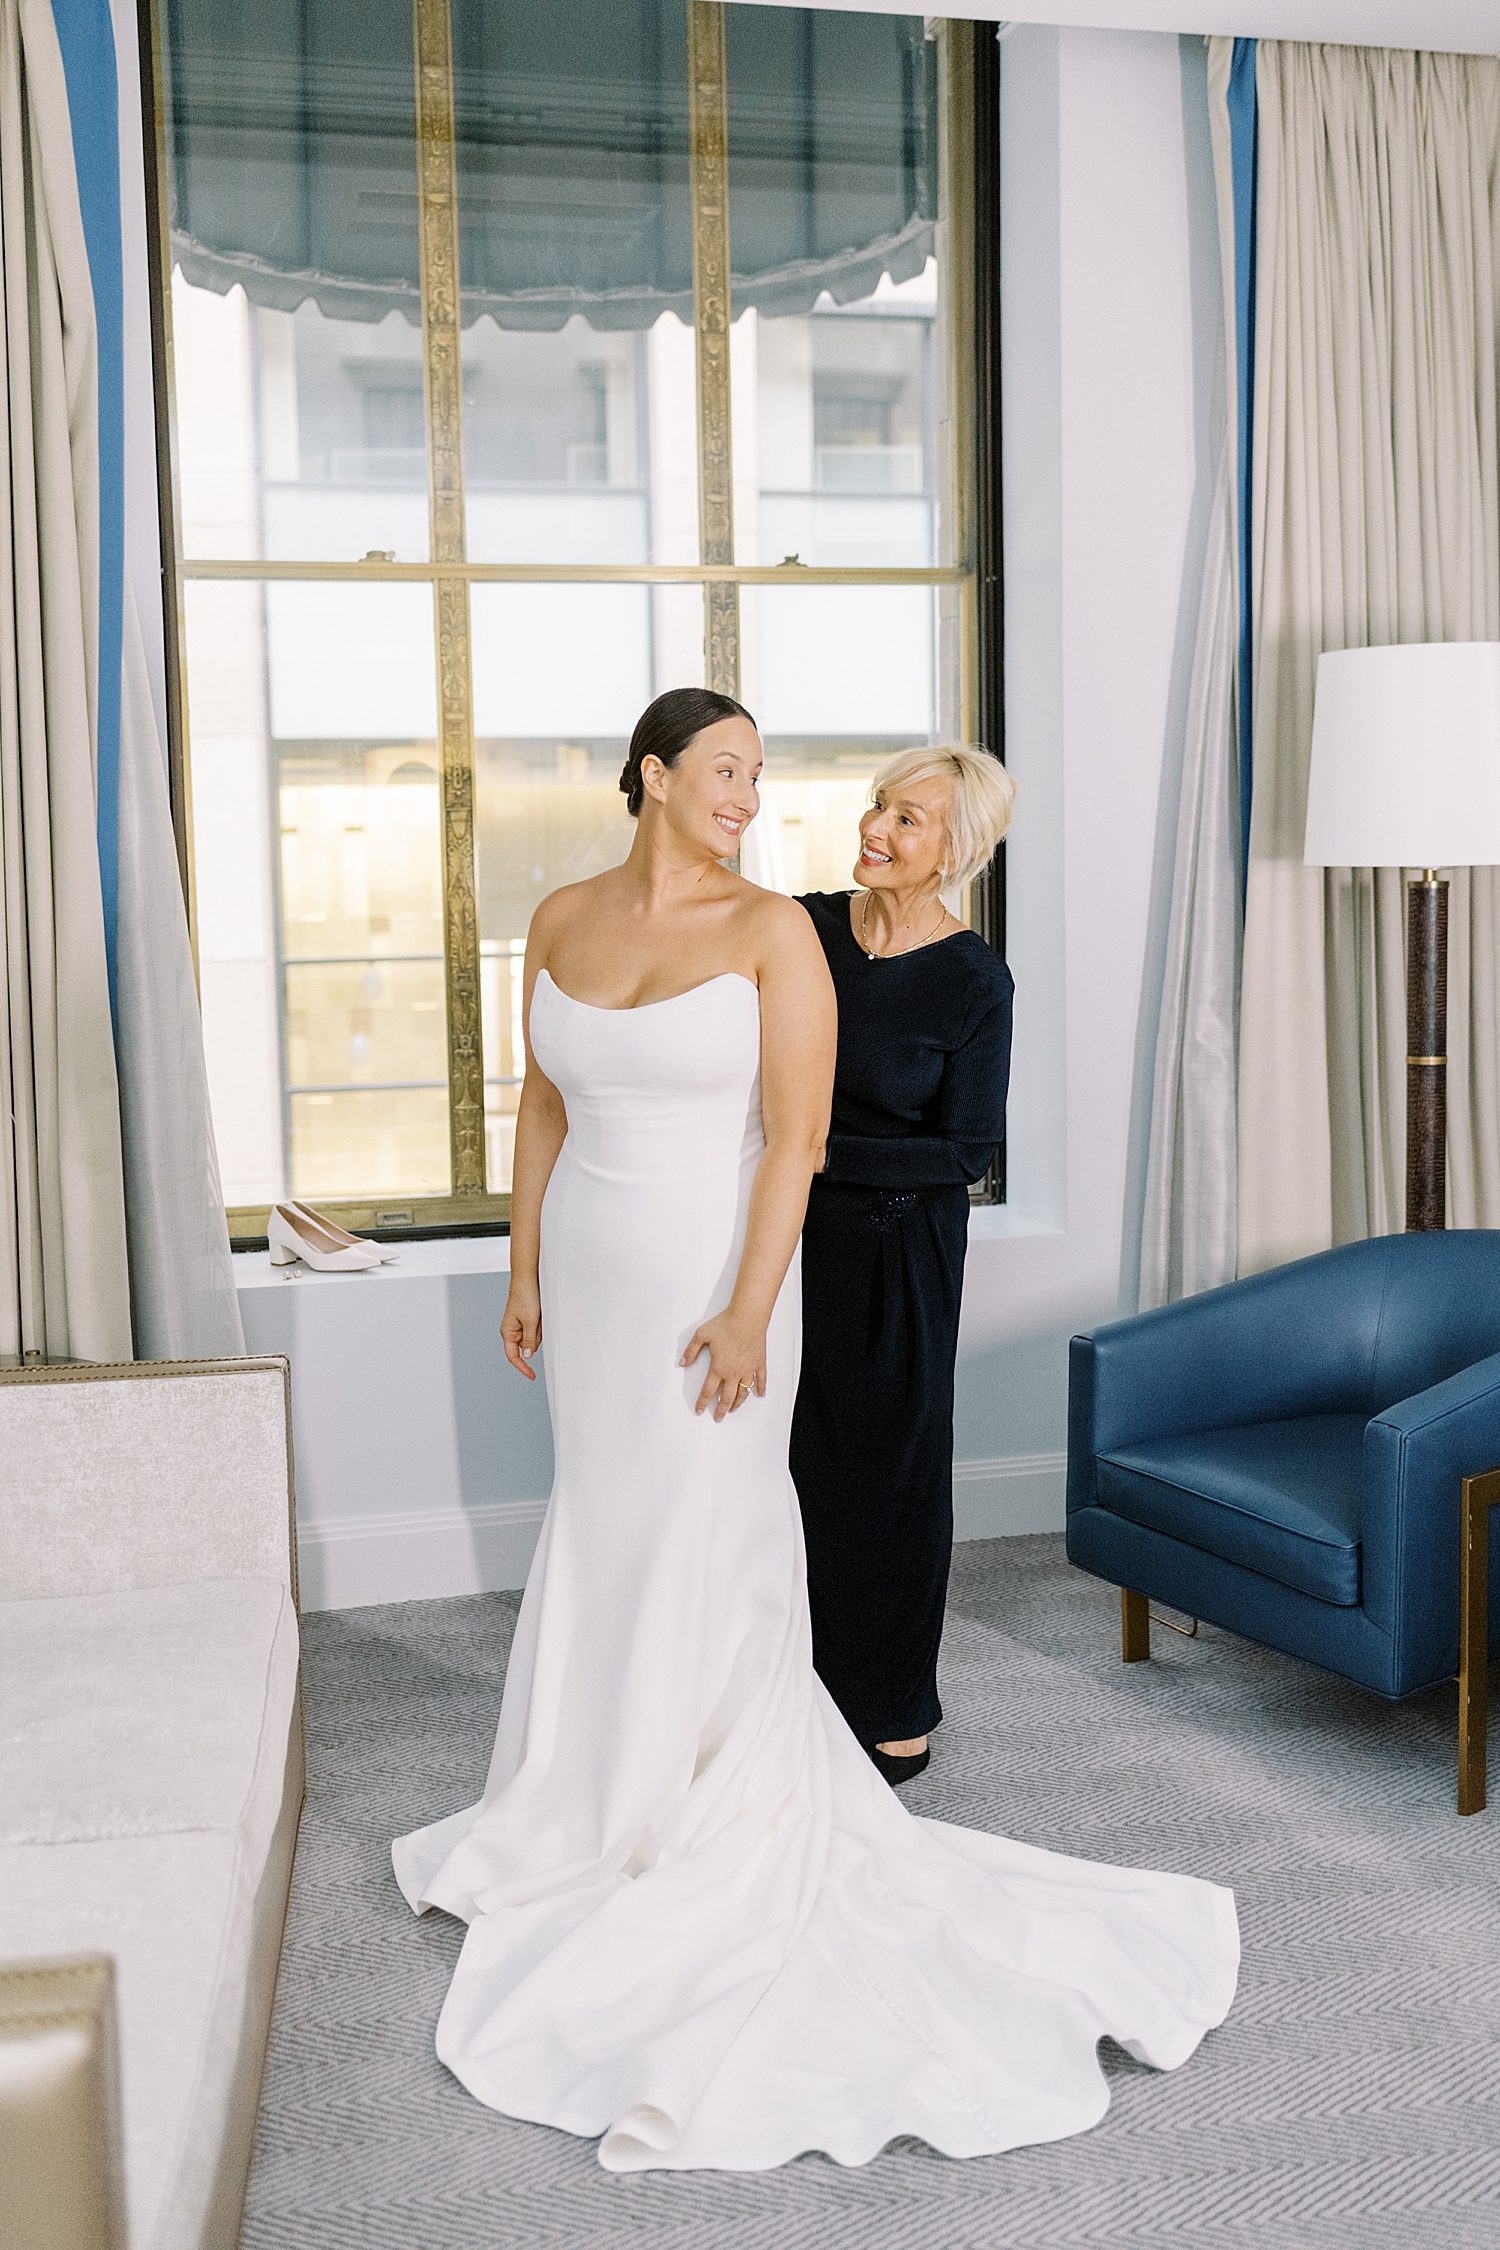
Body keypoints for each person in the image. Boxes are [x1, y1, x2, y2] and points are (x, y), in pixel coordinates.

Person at [391, 687, 1238, 2174]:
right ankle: (584, 1784)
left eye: (759, 776)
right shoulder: (584, 913)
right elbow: (540, 1098)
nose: (754, 797)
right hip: (593, 1267)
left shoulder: (792, 938)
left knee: (758, 1509)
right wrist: (523, 1264)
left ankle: (758, 1757)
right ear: (650, 774)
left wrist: (743, 1305)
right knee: (605, 1516)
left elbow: (799, 1135)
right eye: (726, 771)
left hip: (742, 1269)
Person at [793, 747, 1015, 1786]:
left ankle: (891, 1704)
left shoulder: (974, 977)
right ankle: (785, 1684)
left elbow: (967, 1153)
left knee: (887, 1478)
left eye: (910, 820)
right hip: (781, 1240)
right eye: (879, 805)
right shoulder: (807, 928)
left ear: (953, 855)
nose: (877, 827)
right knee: (786, 1472)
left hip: (898, 1249)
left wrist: (819, 1152)